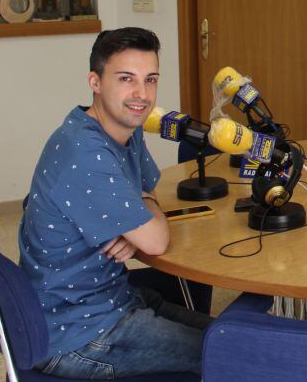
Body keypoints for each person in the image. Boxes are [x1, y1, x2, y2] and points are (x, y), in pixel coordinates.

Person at [19, 27, 211, 379]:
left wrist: (137, 211)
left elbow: (150, 189)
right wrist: (140, 216)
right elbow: (155, 239)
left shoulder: (124, 126)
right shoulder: (84, 149)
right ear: (95, 81)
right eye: (126, 79)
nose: (142, 94)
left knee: (235, 335)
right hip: (79, 333)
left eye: (150, 79)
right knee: (242, 353)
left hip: (113, 298)